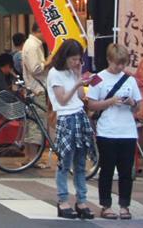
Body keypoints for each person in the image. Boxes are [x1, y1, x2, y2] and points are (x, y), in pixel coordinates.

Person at [86, 43, 141, 220]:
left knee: (126, 171)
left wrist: (131, 102)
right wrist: (110, 102)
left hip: (128, 131)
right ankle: (106, 205)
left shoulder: (130, 80)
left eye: (123, 64)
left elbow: (139, 106)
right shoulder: (97, 79)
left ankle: (125, 205)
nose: (120, 67)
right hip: (106, 130)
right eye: (117, 63)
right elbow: (91, 104)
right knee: (107, 169)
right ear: (109, 60)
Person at [47, 39, 93, 219]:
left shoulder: (73, 71)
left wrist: (79, 76)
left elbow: (81, 97)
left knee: (81, 163)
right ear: (65, 57)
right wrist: (76, 83)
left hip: (79, 115)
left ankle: (81, 200)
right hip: (65, 118)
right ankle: (63, 200)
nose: (76, 62)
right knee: (64, 163)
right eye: (74, 59)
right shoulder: (54, 73)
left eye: (79, 59)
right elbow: (62, 100)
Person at [21, 24, 50, 168]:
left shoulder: (31, 44)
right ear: (40, 31)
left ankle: (29, 157)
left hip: (32, 88)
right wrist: (49, 61)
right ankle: (33, 158)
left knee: (32, 122)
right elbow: (35, 68)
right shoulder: (33, 46)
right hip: (36, 89)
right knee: (36, 123)